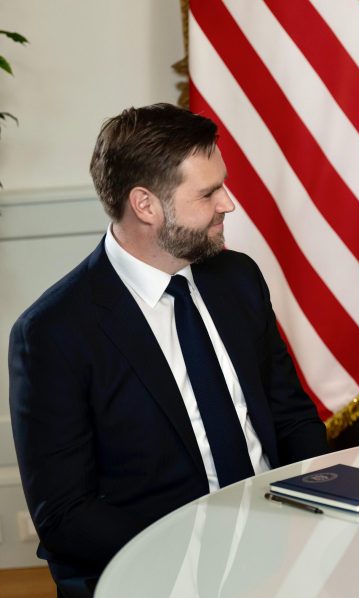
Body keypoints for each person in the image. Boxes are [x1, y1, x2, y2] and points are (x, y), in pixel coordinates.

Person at [8, 103, 328, 595]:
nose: (228, 204)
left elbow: (291, 418)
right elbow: (66, 514)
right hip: (157, 572)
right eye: (208, 193)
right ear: (146, 205)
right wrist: (200, 558)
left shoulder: (238, 278)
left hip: (280, 550)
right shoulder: (53, 333)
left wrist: (312, 520)